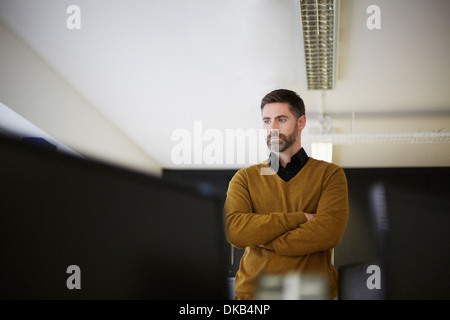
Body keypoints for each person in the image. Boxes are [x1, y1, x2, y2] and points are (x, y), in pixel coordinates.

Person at [223, 89, 349, 300]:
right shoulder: (245, 178)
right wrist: (301, 218)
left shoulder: (330, 175)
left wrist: (267, 241)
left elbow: (329, 232)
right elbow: (235, 232)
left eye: (281, 119)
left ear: (301, 123)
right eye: (266, 121)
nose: (272, 128)